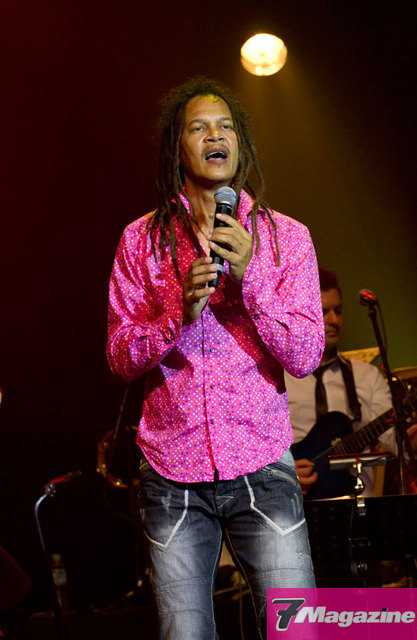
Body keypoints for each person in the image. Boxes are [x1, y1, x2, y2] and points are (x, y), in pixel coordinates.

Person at [106, 77, 324, 640]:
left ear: (240, 144)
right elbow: (120, 356)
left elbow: (306, 355)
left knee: (295, 631)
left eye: (225, 126)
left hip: (263, 463)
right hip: (171, 472)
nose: (214, 136)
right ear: (176, 147)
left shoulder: (286, 238)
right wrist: (176, 315)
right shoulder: (141, 240)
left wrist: (252, 281)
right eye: (198, 128)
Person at [286, 268, 417, 499]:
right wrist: (282, 473)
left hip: (358, 504)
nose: (334, 320)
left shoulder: (367, 376)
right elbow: (258, 448)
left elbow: (398, 443)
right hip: (296, 504)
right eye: (324, 312)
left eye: (338, 311)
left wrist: (411, 439)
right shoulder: (279, 379)